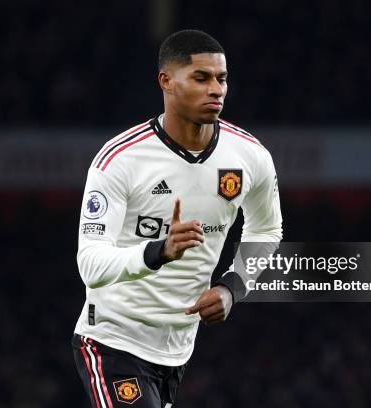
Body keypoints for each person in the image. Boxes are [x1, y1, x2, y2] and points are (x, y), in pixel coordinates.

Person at [72, 29, 282, 408]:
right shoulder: (120, 160)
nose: (216, 89)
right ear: (166, 82)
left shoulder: (250, 157)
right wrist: (158, 251)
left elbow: (267, 229)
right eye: (201, 78)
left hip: (177, 351)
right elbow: (90, 263)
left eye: (222, 79)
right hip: (111, 341)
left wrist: (232, 287)